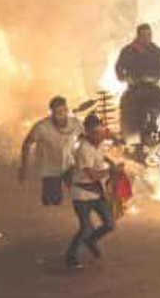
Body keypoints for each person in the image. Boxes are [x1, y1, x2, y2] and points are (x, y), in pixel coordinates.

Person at [65, 114, 115, 269]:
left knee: (110, 224)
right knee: (85, 228)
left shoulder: (98, 143)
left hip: (96, 192)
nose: (100, 136)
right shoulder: (83, 149)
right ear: (88, 132)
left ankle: (90, 240)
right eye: (96, 133)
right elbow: (92, 176)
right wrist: (111, 171)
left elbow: (101, 156)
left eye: (101, 132)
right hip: (81, 193)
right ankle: (71, 257)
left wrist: (110, 161)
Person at [19, 97, 81, 208]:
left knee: (82, 189)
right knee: (53, 202)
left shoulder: (75, 123)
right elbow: (27, 144)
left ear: (67, 110)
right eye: (55, 113)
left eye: (61, 112)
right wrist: (23, 168)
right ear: (52, 113)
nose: (58, 116)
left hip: (68, 165)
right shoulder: (42, 127)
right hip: (50, 169)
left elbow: (87, 136)